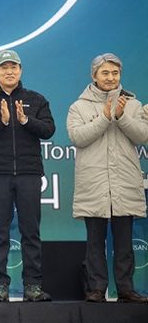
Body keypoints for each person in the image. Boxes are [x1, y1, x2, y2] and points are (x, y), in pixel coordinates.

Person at [0, 49, 55, 302]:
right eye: (4, 67)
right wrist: (1, 121)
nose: (9, 71)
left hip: (29, 173)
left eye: (13, 67)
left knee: (31, 231)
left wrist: (25, 120)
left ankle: (33, 286)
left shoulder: (36, 99)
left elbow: (49, 129)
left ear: (20, 70)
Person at [67, 53, 148, 303]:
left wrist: (122, 116)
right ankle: (96, 289)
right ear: (94, 76)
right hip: (94, 183)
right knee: (95, 242)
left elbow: (142, 136)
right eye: (105, 73)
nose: (110, 77)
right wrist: (104, 117)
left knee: (124, 243)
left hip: (124, 181)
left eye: (115, 73)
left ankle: (126, 289)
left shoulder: (133, 104)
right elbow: (78, 137)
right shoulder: (79, 107)